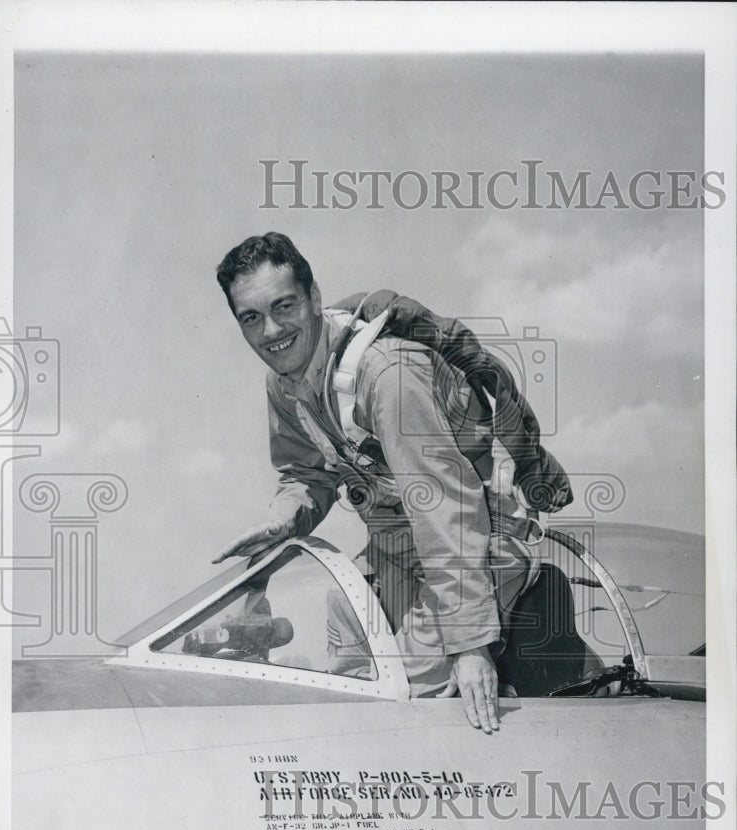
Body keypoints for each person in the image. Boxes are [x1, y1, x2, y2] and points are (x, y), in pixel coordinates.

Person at [212, 232, 544, 733]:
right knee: (346, 642)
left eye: (284, 306)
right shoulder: (285, 383)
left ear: (314, 297)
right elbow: (304, 471)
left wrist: (470, 642)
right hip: (395, 549)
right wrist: (283, 520)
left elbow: (444, 505)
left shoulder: (387, 374)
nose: (272, 330)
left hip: (476, 545)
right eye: (251, 318)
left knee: (400, 698)